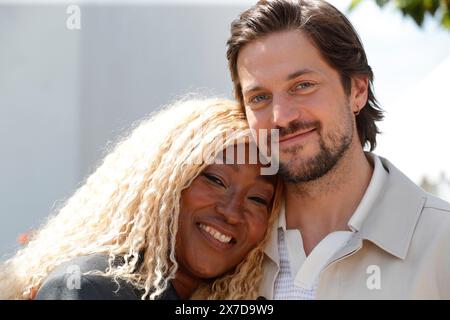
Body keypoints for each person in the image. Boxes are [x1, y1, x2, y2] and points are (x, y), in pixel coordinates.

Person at [226, 0, 450, 299]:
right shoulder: (229, 246)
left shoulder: (441, 244)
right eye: (260, 97)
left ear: (357, 91)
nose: (281, 117)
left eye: (303, 85)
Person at [0, 98, 282, 300]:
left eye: (258, 199)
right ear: (163, 181)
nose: (232, 212)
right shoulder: (89, 288)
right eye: (215, 180)